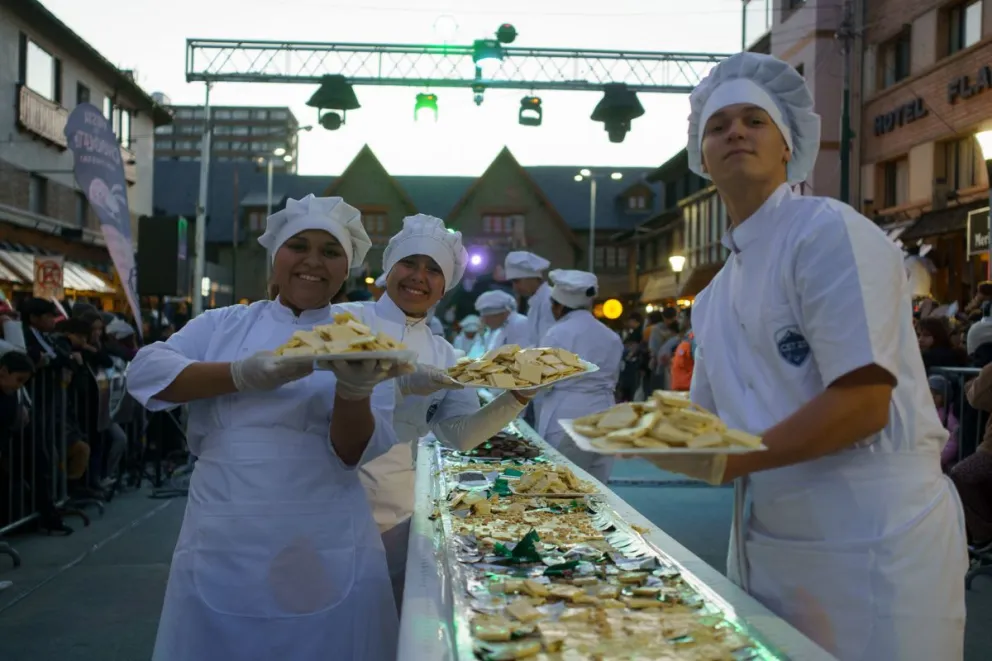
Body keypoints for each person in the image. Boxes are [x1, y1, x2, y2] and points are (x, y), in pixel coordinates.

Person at [639, 52, 966, 660]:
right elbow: (709, 423)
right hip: (769, 539)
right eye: (718, 126)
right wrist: (642, 431)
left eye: (754, 120)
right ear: (701, 158)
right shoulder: (712, 298)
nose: (735, 132)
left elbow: (864, 402)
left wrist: (733, 459)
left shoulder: (827, 233)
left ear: (788, 145)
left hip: (872, 537)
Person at [125, 194, 409, 661]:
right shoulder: (221, 325)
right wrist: (241, 374)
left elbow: (351, 453)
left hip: (322, 535)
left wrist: (354, 389)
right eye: (298, 246)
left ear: (346, 269)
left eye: (330, 252)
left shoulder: (365, 342)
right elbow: (146, 372)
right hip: (225, 534)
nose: (313, 261)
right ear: (275, 256)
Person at [342, 214, 537, 609]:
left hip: (398, 511)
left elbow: (459, 434)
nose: (419, 277)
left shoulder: (445, 353)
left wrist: (516, 398)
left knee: (386, 618)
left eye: (433, 270)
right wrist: (400, 384)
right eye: (409, 263)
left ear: (444, 286)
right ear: (389, 268)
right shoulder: (345, 322)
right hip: (333, 502)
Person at [536, 269, 622, 483]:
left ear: (559, 305)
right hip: (605, 412)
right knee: (598, 486)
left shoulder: (557, 333)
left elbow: (542, 380)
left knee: (562, 485)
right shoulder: (611, 336)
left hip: (566, 414)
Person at [504, 251, 555, 343]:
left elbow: (550, 343)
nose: (515, 288)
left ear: (532, 277)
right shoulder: (534, 305)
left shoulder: (550, 301)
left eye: (517, 281)